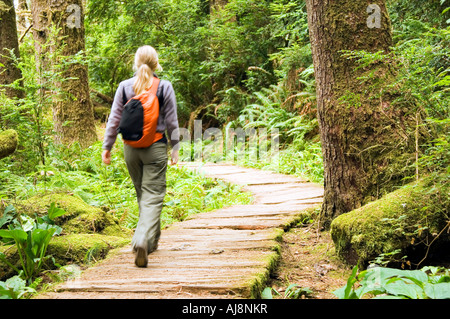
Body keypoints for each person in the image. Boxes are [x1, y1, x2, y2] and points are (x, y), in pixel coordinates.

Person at [101, 45, 180, 267]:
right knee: (153, 195)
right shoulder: (164, 87)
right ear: (156, 63)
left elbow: (114, 119)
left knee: (143, 195)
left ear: (136, 63)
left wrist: (107, 146)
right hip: (155, 146)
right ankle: (142, 239)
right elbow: (172, 121)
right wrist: (175, 147)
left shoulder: (125, 87)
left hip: (130, 150)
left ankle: (150, 242)